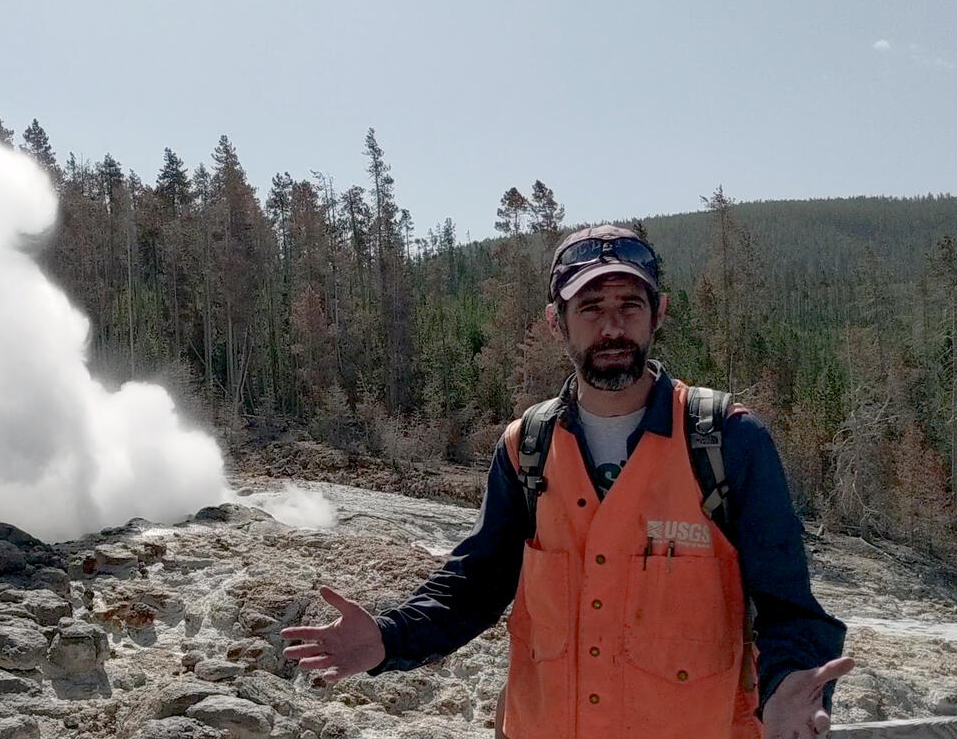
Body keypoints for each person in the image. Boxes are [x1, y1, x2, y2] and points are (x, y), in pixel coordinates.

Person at [282, 224, 851, 739]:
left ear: (660, 313)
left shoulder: (727, 440)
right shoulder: (526, 447)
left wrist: (789, 688)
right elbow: (476, 585)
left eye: (631, 304)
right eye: (590, 306)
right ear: (557, 320)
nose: (612, 326)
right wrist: (389, 638)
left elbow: (789, 607)